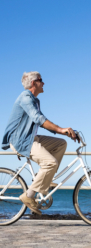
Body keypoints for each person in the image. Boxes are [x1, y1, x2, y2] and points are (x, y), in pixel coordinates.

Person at [2, 71, 78, 215]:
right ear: (33, 83)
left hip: (30, 138)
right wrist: (61, 129)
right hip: (21, 140)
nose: (43, 83)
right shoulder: (25, 97)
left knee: (61, 144)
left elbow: (41, 120)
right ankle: (28, 195)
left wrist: (64, 133)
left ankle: (44, 179)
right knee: (50, 163)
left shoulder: (35, 100)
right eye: (41, 80)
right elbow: (38, 119)